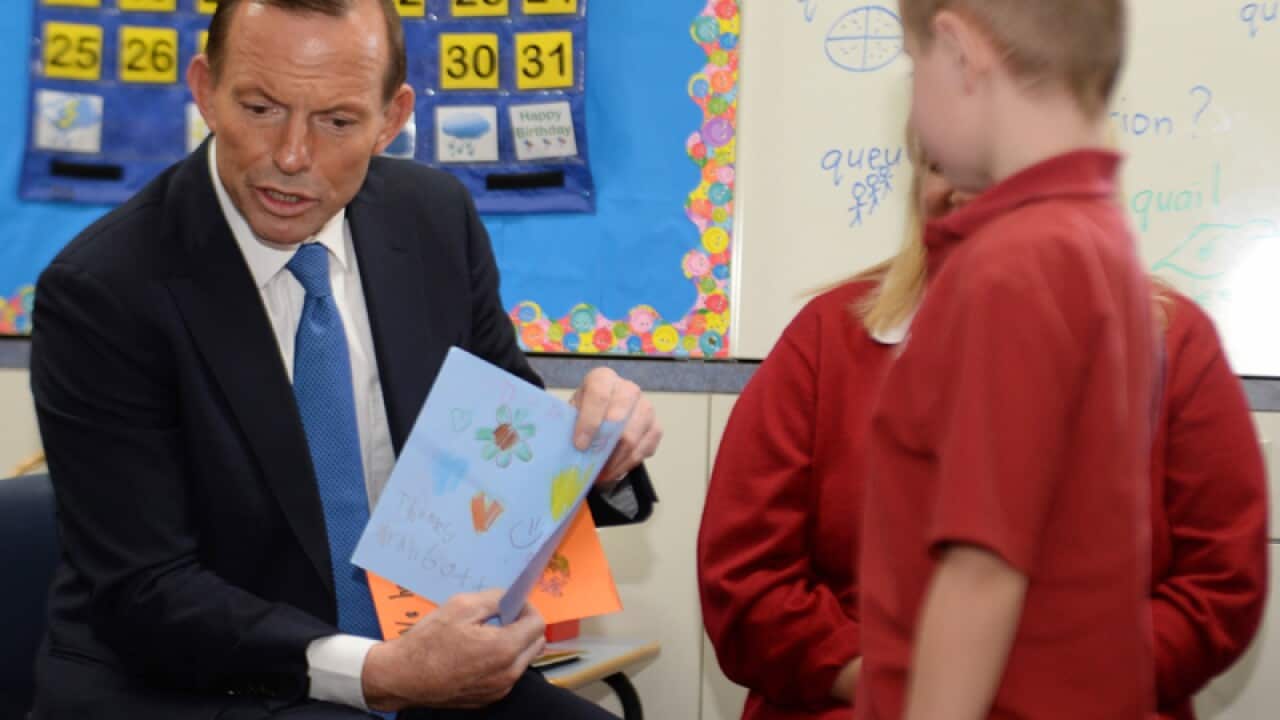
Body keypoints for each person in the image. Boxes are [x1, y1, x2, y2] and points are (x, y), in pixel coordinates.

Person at [28, 1, 662, 718]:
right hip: (201, 684)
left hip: (429, 665)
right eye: (261, 108)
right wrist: (380, 672)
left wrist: (591, 446)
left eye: (337, 121)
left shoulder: (432, 220)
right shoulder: (104, 291)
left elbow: (500, 453)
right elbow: (148, 591)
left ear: (392, 119)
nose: (293, 156)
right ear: (204, 89)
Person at [697, 130, 1268, 719]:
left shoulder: (1177, 346)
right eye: (949, 161)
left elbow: (1218, 588)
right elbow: (745, 583)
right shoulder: (826, 339)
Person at [859, 0, 1160, 715]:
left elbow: (982, 570)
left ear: (961, 52)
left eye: (914, 66)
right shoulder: (1095, 236)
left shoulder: (1014, 265)